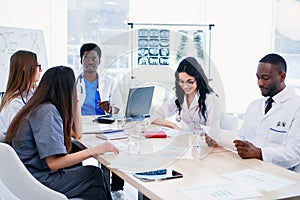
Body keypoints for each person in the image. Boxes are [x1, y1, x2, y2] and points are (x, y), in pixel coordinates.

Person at [5, 66, 119, 199]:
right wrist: (94, 151)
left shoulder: (42, 107)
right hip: (38, 181)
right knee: (94, 175)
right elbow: (54, 163)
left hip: (29, 177)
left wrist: (76, 101)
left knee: (93, 177)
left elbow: (77, 134)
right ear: (65, 89)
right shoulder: (47, 112)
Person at [233, 53, 300, 172]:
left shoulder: (296, 107)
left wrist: (260, 153)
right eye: (258, 77)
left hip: (280, 175)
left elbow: (294, 153)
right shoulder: (254, 105)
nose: (260, 83)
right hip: (250, 169)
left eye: (265, 78)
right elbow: (242, 137)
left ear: (282, 77)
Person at [76, 43, 125, 199]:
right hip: (82, 126)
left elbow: (119, 108)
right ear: (81, 60)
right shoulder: (74, 82)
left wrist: (109, 108)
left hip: (103, 125)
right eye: (86, 58)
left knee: (117, 148)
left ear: (99, 60)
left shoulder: (109, 81)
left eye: (94, 58)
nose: (90, 62)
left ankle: (117, 189)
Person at [152, 57, 220, 136]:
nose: (185, 86)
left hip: (203, 143)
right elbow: (155, 116)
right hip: (187, 140)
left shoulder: (211, 99)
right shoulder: (179, 98)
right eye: (181, 82)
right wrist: (173, 125)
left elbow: (212, 132)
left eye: (190, 82)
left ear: (199, 79)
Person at [0, 50, 42, 137]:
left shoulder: (32, 93)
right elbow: (24, 132)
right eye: (38, 66)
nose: (41, 70)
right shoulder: (14, 102)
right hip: (16, 147)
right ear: (25, 68)